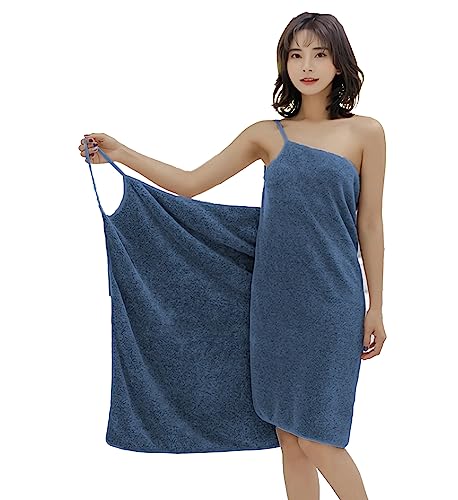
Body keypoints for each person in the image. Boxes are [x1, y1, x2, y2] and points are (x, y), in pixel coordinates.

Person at [79, 11, 386, 500]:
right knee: (289, 436)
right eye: (296, 55)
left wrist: (376, 306)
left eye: (319, 54)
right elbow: (190, 183)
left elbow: (369, 223)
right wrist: (121, 153)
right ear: (284, 64)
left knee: (318, 436)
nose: (307, 65)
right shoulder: (266, 134)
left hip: (333, 303)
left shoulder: (366, 133)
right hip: (274, 306)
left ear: (339, 62)